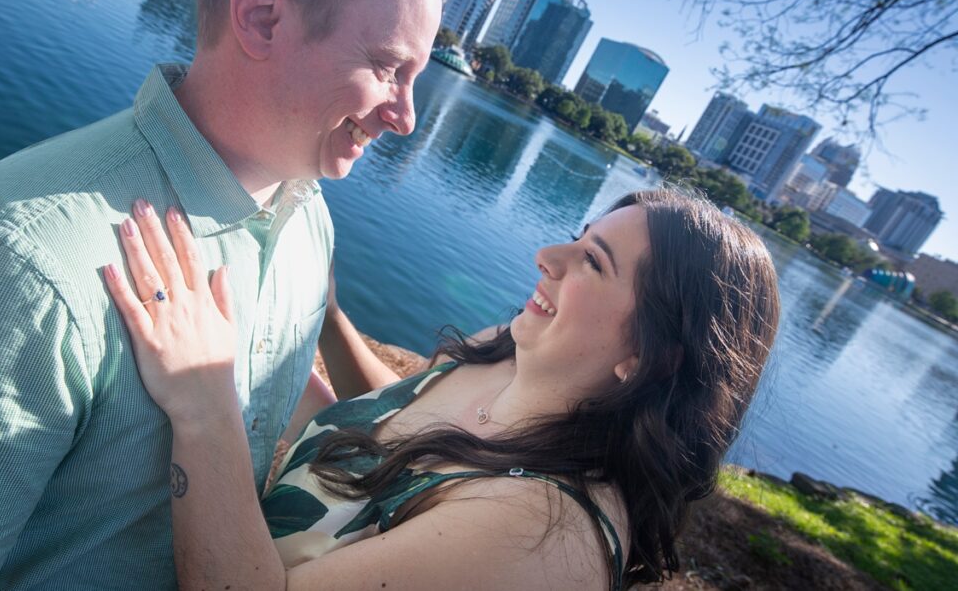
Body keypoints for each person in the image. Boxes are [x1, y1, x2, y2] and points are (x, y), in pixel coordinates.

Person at [0, 0, 450, 587]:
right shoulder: (29, 270)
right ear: (262, 14)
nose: (406, 117)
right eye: (389, 67)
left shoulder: (308, 224)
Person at [104, 187, 781, 590]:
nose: (548, 257)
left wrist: (204, 400)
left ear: (650, 355)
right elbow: (396, 432)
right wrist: (329, 321)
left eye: (592, 263)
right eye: (578, 238)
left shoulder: (542, 539)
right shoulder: (523, 353)